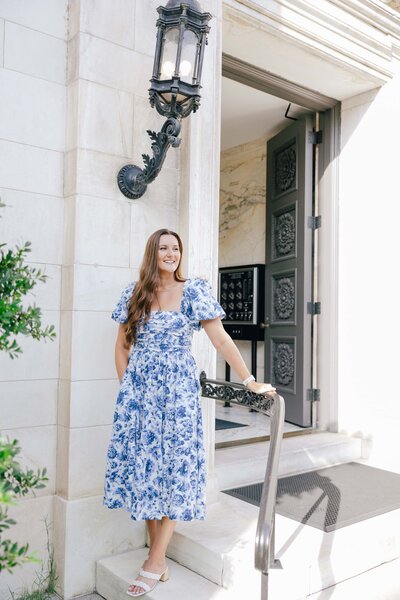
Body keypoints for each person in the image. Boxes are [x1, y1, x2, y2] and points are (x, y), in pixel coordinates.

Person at [103, 228, 275, 597]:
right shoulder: (134, 293)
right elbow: (121, 347)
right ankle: (159, 558)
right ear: (153, 252)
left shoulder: (194, 290)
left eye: (176, 248)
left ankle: (154, 560)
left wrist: (248, 379)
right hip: (140, 397)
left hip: (178, 396)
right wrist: (128, 388)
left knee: (173, 472)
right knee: (146, 471)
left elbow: (221, 339)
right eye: (164, 248)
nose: (171, 253)